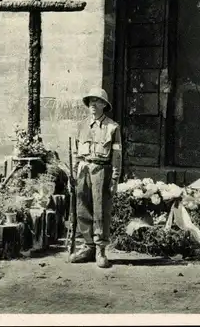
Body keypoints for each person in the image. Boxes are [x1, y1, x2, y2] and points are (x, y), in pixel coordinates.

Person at [70, 87, 122, 268]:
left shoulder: (112, 127)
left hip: (101, 170)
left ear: (104, 105)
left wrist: (114, 179)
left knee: (100, 210)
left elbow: (116, 157)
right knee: (82, 208)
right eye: (90, 101)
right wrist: (75, 173)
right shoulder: (81, 126)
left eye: (97, 101)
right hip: (84, 169)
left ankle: (100, 249)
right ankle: (87, 246)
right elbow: (76, 153)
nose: (92, 104)